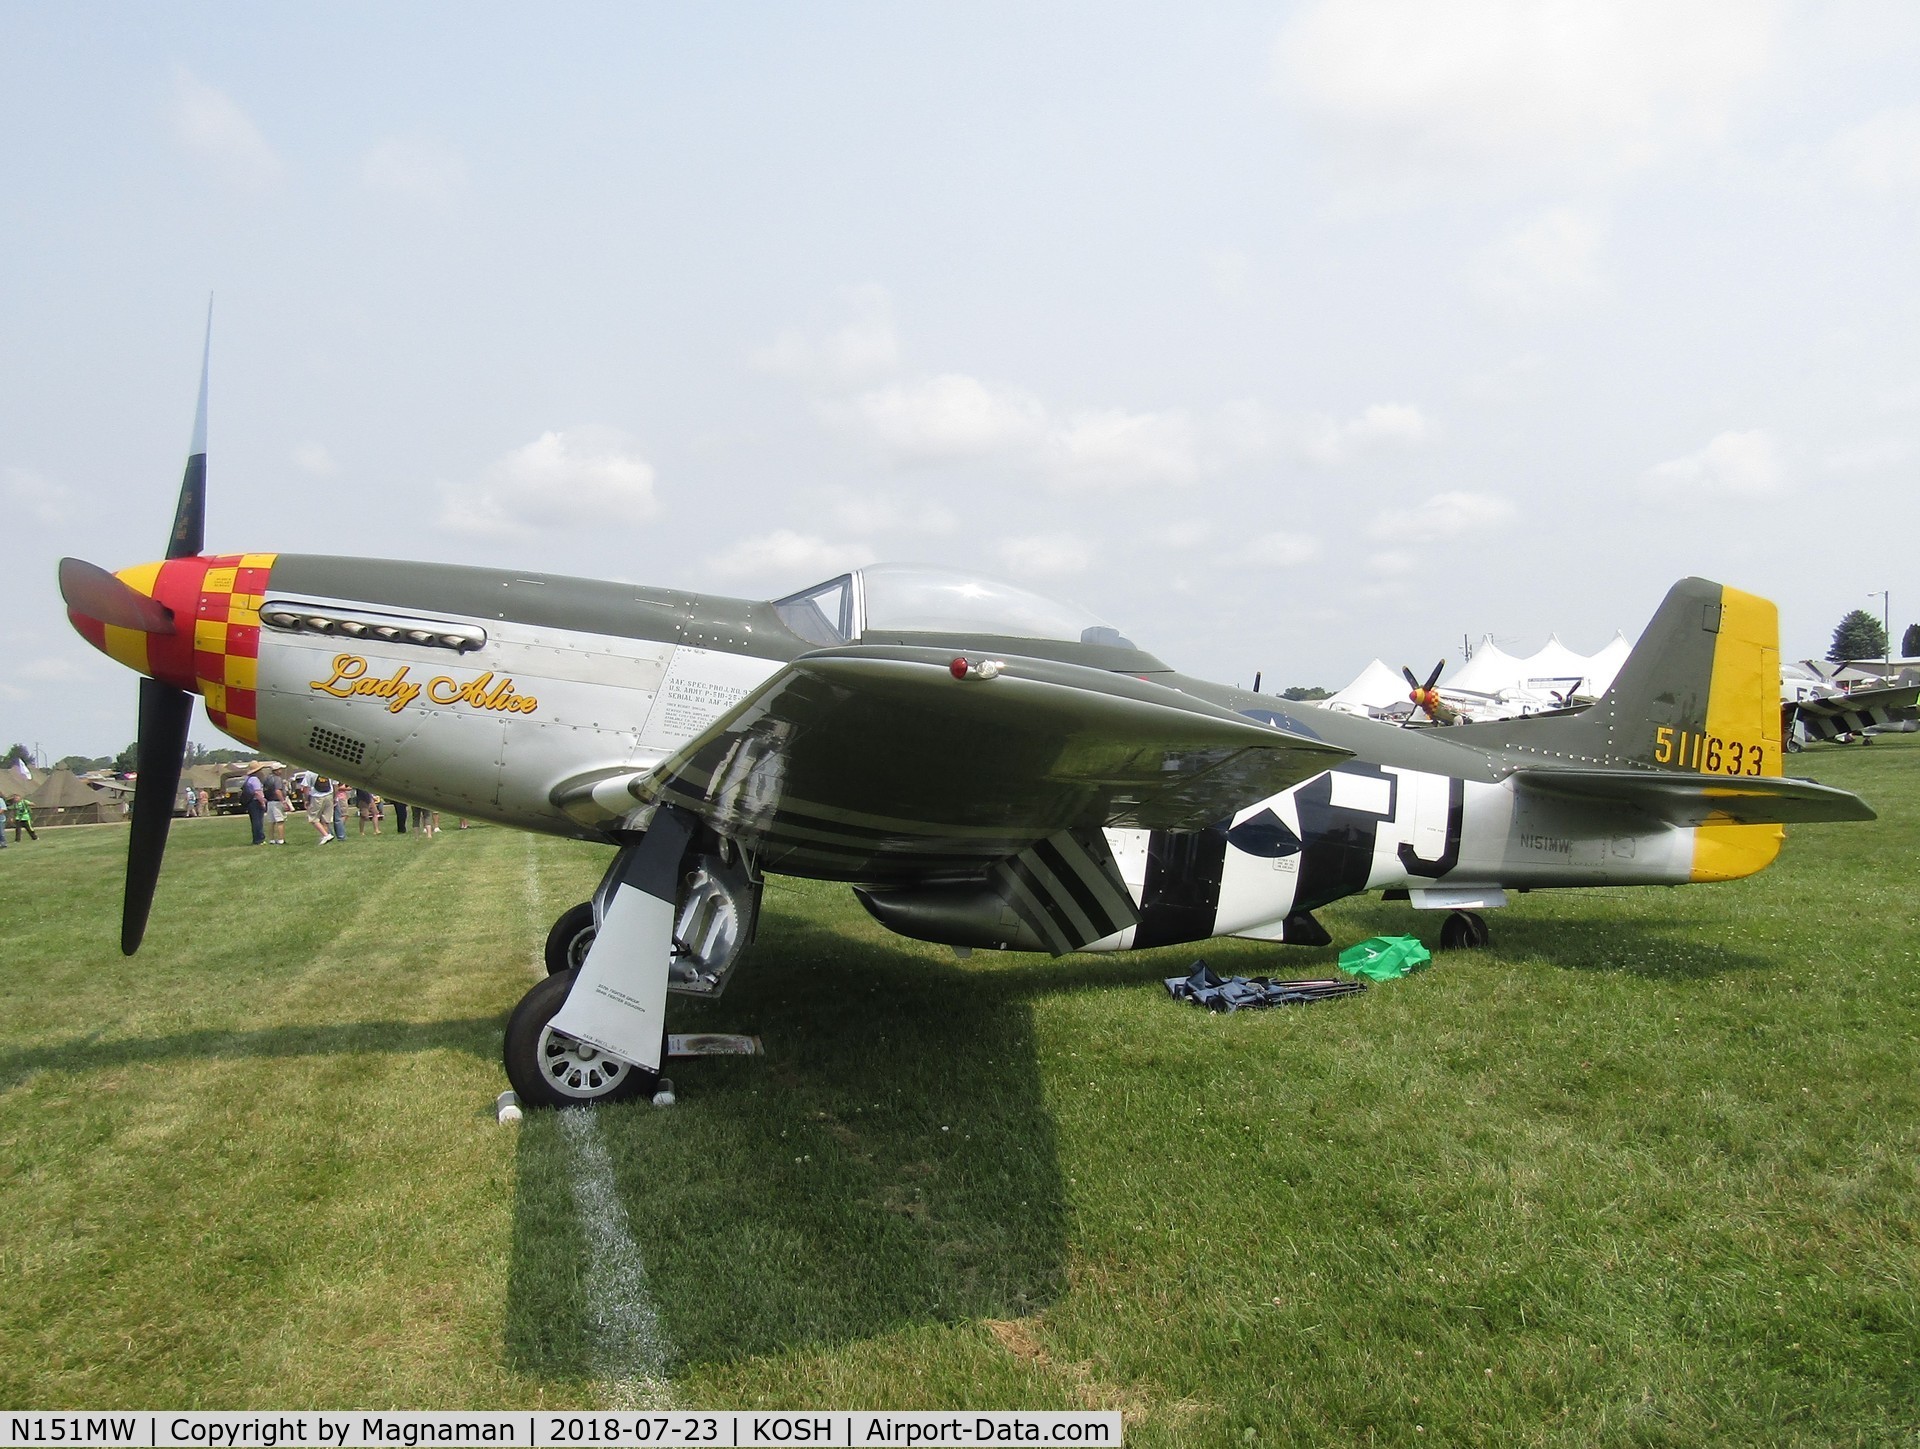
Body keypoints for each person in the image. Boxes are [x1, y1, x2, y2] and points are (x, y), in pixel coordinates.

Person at [263, 769, 290, 845]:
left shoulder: (267, 779)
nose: (281, 771)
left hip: (269, 802)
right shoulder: (277, 779)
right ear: (276, 771)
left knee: (271, 822)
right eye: (279, 769)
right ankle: (281, 839)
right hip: (277, 801)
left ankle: (271, 839)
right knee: (280, 821)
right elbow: (278, 791)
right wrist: (283, 801)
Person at [241, 768, 266, 844]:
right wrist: (262, 802)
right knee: (258, 821)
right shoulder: (255, 779)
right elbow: (257, 792)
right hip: (256, 801)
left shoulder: (248, 779)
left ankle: (256, 839)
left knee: (254, 821)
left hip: (250, 802)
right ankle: (259, 839)